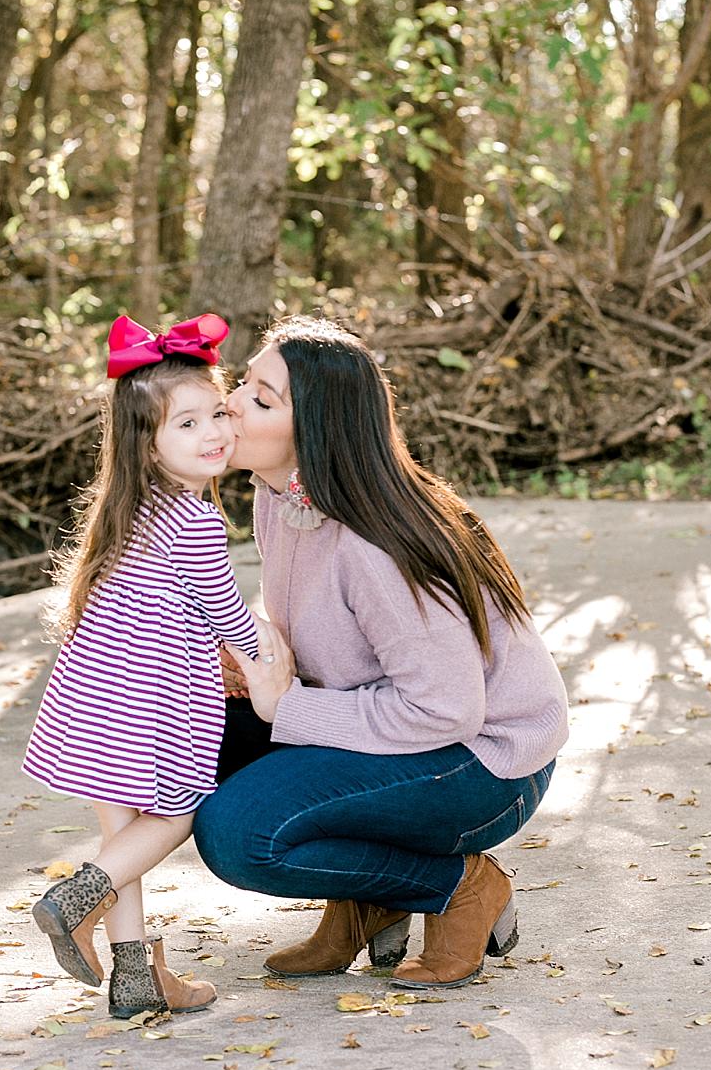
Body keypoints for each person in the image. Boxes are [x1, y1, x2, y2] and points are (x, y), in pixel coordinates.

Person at [192, 314, 568, 988]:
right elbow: (328, 634)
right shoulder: (280, 500)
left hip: (485, 764)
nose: (231, 404)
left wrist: (289, 709)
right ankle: (367, 899)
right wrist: (244, 653)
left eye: (261, 398)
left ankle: (457, 886)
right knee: (183, 730)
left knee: (238, 836)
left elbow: (447, 710)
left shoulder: (374, 544)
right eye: (243, 382)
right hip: (396, 731)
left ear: (316, 431)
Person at [22, 314, 269, 1019]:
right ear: (148, 444)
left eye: (216, 413)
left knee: (121, 833)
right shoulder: (192, 519)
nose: (214, 433)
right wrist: (264, 660)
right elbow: (224, 610)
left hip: (92, 691)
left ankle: (133, 978)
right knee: (174, 816)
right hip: (151, 699)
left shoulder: (129, 507)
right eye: (186, 425)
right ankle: (75, 897)